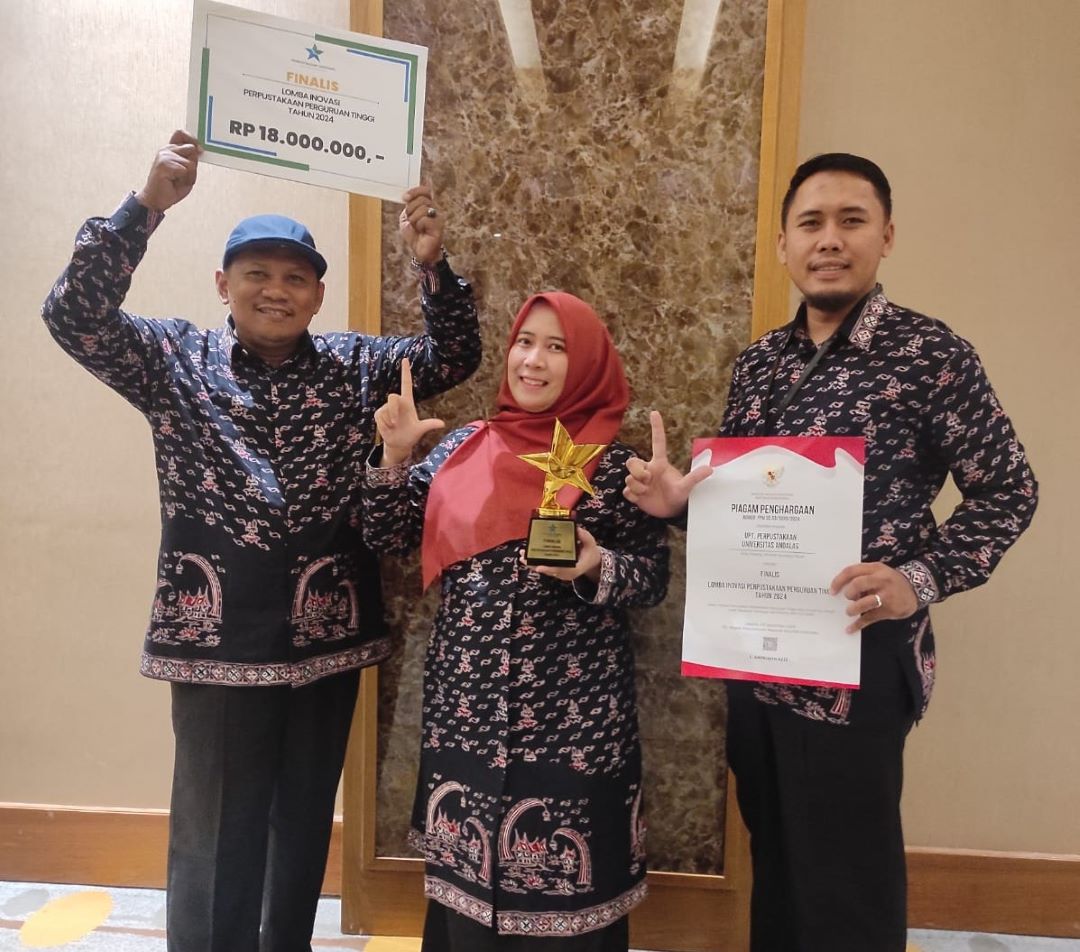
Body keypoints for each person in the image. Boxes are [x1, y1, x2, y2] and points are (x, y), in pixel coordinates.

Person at [40, 130, 482, 952]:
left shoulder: (355, 363)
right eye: (257, 274)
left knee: (302, 822)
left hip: (327, 640)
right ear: (224, 284)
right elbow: (73, 315)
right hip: (216, 642)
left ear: (317, 295)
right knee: (213, 835)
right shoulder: (173, 357)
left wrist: (432, 265)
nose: (276, 291)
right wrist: (147, 207)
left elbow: (454, 353)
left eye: (294, 278)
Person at [623, 153, 1038, 952]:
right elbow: (748, 515)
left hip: (859, 655)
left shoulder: (930, 354)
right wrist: (681, 506)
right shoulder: (759, 364)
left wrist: (918, 578)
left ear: (887, 235)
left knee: (848, 882)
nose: (830, 240)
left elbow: (1009, 492)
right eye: (811, 223)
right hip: (756, 657)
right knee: (777, 861)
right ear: (784, 244)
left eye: (852, 221)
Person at [362, 292, 669, 951]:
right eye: (525, 342)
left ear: (586, 363)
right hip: (467, 716)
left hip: (576, 724)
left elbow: (653, 578)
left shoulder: (617, 465)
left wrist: (597, 565)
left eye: (557, 347)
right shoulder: (464, 447)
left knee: (570, 897)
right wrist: (393, 459)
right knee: (468, 906)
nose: (534, 360)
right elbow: (388, 536)